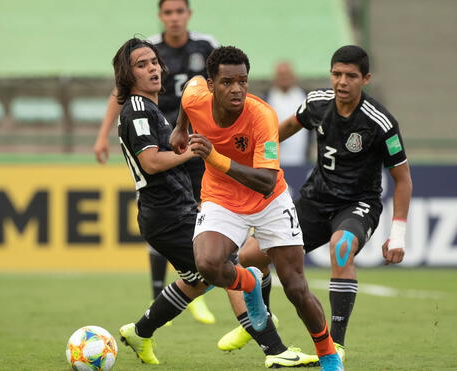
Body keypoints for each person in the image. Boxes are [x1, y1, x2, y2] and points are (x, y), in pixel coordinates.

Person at [113, 37, 319, 369]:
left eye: (154, 61)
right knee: (227, 268)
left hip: (174, 208)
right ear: (126, 74)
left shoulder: (154, 107)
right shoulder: (137, 109)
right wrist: (193, 151)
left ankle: (140, 331)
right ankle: (274, 348)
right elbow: (151, 162)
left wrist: (182, 131)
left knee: (201, 278)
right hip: (165, 212)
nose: (152, 68)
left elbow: (189, 96)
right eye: (141, 64)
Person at [218, 45, 413, 363]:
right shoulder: (317, 103)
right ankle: (262, 320)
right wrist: (248, 156)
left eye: (351, 76)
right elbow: (281, 131)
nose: (342, 81)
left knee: (341, 248)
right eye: (337, 74)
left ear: (365, 79)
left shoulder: (381, 122)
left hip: (357, 204)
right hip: (315, 199)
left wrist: (399, 234)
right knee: (251, 256)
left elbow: (402, 179)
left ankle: (336, 344)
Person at [171, 46, 344, 371]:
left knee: (295, 287)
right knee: (207, 264)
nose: (236, 89)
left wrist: (213, 157)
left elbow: (265, 181)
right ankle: (249, 283)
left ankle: (329, 355)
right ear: (211, 84)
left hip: (269, 201)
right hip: (222, 198)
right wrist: (181, 127)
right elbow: (186, 95)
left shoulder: (261, 115)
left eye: (243, 81)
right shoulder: (196, 96)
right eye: (227, 82)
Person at [93, 0, 218, 324]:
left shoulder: (206, 46)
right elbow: (117, 92)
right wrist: (102, 135)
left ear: (188, 15)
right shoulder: (147, 52)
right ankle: (182, 285)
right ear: (160, 17)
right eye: (168, 12)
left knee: (201, 217)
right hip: (159, 139)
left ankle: (194, 283)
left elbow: (225, 84)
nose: (174, 17)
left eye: (180, 11)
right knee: (164, 208)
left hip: (193, 141)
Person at [265, 62, 309, 166]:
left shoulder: (304, 98)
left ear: (293, 76)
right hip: (276, 161)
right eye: (281, 75)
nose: (284, 78)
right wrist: (269, 161)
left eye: (287, 74)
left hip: (301, 160)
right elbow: (266, 132)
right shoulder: (267, 99)